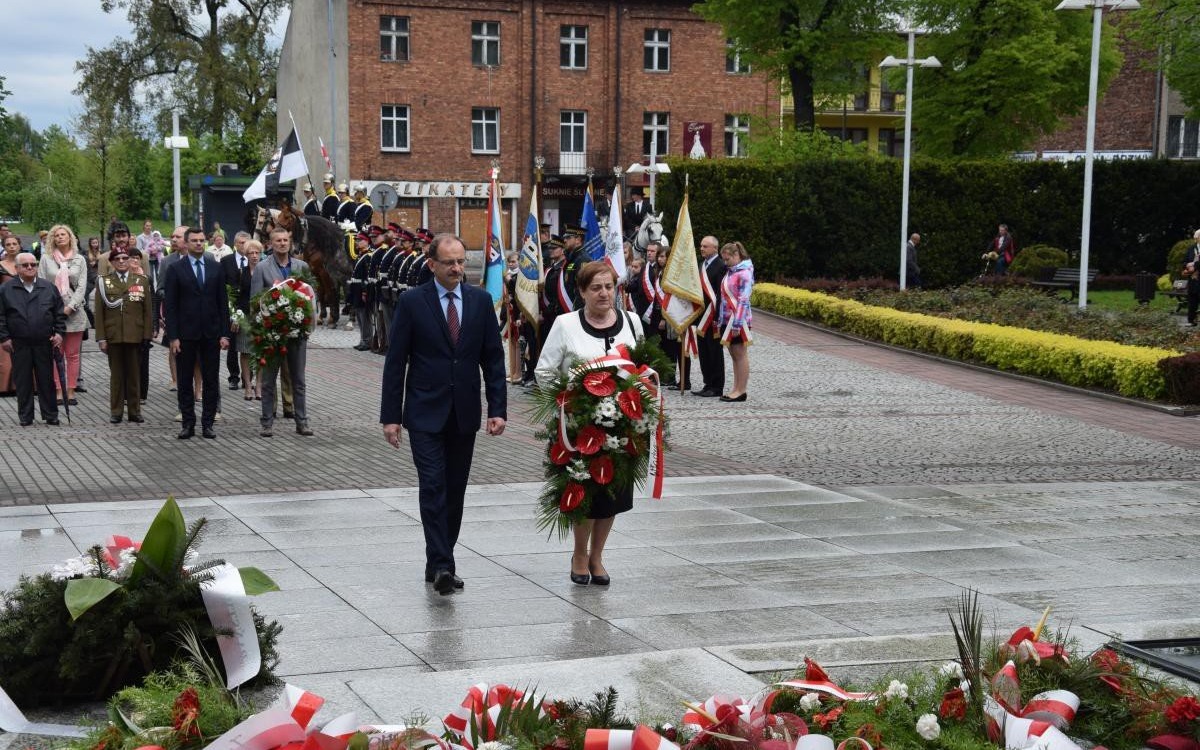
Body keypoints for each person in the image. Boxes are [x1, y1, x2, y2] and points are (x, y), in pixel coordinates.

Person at [381, 233, 507, 595]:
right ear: (431, 264)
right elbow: (396, 362)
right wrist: (391, 416)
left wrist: (497, 408)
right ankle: (442, 566)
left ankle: (438, 559)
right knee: (433, 486)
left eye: (460, 261)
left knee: (454, 491)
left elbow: (492, 359)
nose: (456, 268)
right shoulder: (412, 301)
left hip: (463, 413)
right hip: (423, 412)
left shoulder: (480, 301)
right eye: (449, 262)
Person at [535, 261, 645, 587]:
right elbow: (545, 371)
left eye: (609, 287)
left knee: (612, 495)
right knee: (582, 491)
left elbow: (642, 367)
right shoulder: (565, 324)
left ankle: (597, 555)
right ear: (582, 291)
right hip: (579, 428)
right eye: (596, 287)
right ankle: (580, 554)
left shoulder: (632, 322)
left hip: (621, 428)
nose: (604, 293)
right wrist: (568, 403)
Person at [163, 226, 230, 439]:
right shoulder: (175, 269)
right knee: (184, 381)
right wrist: (173, 336)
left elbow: (223, 303)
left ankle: (207, 423)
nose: (199, 243)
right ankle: (188, 423)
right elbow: (170, 305)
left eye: (202, 240)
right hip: (185, 334)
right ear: (186, 243)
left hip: (211, 333)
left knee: (211, 380)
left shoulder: (215, 268)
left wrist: (224, 333)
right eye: (194, 240)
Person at [252, 227, 315, 437]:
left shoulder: (301, 266)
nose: (282, 243)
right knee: (268, 381)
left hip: (297, 333)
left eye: (285, 240)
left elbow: (310, 296)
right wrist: (262, 328)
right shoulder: (262, 268)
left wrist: (307, 324)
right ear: (270, 244)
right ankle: (267, 423)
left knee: (299, 381)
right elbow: (255, 301)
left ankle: (302, 422)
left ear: (290, 242)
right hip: (273, 334)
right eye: (278, 240)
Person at [0, 252, 65, 425]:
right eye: (25, 265)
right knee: (23, 381)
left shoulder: (48, 287)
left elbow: (59, 313)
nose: (30, 267)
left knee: (46, 380)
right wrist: (4, 338)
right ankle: (26, 416)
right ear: (16, 268)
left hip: (44, 342)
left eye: (33, 264)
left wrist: (59, 333)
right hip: (18, 343)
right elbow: (1, 316)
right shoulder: (6, 289)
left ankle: (51, 414)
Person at [94, 246, 153, 423]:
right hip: (114, 335)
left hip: (135, 334)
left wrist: (147, 335)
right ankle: (116, 411)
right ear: (111, 262)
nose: (121, 261)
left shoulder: (142, 280)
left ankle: (135, 411)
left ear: (131, 260)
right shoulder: (103, 281)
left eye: (124, 258)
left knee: (135, 375)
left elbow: (147, 311)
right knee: (117, 376)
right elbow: (99, 312)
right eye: (117, 259)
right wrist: (101, 338)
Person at [38, 225, 88, 406]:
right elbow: (41, 284)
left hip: (74, 312)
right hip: (51, 312)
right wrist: (53, 310)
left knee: (72, 355)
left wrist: (70, 307)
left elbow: (82, 287)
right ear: (52, 239)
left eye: (63, 234)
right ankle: (58, 391)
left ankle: (71, 390)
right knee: (56, 354)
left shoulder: (79, 259)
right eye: (56, 235)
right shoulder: (46, 259)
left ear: (70, 237)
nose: (60, 237)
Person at [718, 241, 754, 402]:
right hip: (727, 319)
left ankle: (741, 390)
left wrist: (737, 323)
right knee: (734, 355)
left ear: (736, 255)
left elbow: (743, 300)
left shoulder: (744, 273)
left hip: (739, 321)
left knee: (740, 354)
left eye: (727, 259)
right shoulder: (731, 272)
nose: (725, 263)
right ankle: (735, 388)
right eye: (724, 260)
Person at [694, 235, 726, 397]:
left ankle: (717, 386)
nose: (702, 249)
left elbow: (721, 294)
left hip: (713, 317)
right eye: (701, 246)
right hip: (701, 316)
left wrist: (717, 316)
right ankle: (707, 383)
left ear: (715, 248)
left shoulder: (721, 266)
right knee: (704, 351)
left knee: (714, 352)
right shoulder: (701, 265)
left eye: (705, 246)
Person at [221, 235, 251, 389]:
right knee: (232, 344)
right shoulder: (226, 261)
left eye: (246, 243)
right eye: (241, 243)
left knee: (249, 345)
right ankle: (234, 377)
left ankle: (248, 378)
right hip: (231, 307)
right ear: (235, 244)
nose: (244, 245)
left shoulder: (254, 260)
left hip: (248, 307)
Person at [234, 239, 262, 399]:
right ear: (246, 255)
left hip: (262, 316)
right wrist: (236, 317)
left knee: (260, 352)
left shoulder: (264, 271)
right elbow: (236, 297)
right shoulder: (241, 272)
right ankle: (247, 386)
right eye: (251, 253)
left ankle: (259, 385)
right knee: (245, 351)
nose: (254, 256)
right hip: (244, 315)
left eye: (257, 252)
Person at [0, 235, 22, 395]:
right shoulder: (0, 266)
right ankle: (4, 385)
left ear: (19, 245)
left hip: (25, 310)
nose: (12, 246)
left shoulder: (28, 263)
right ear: (4, 247)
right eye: (8, 244)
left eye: (14, 244)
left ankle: (23, 384)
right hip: (5, 310)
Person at [1183, 229, 1200, 326]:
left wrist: (1194, 266)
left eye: (1197, 236)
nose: (1196, 238)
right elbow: (1184, 261)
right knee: (1192, 300)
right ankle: (1191, 321)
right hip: (1193, 279)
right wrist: (1187, 266)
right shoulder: (1191, 249)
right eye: (1196, 236)